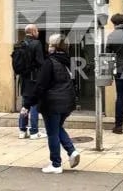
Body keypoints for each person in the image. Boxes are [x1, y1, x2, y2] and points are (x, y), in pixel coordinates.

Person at [22, 33, 81, 174]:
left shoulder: (50, 62)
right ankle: (71, 151)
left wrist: (27, 104)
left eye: (49, 45)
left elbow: (41, 86)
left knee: (52, 133)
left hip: (52, 103)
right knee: (58, 128)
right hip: (67, 102)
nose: (48, 47)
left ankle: (56, 164)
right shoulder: (67, 62)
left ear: (54, 47)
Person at [16, 24, 45, 140]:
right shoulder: (36, 43)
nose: (38, 33)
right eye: (37, 31)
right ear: (33, 32)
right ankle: (34, 131)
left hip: (23, 80)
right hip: (34, 79)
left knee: (25, 105)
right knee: (34, 105)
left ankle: (22, 131)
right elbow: (40, 62)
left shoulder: (20, 44)